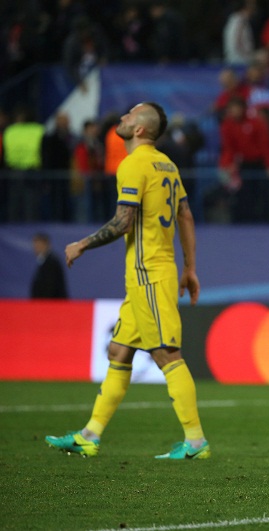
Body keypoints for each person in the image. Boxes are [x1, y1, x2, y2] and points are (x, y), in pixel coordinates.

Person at [45, 102, 210, 460]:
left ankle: (196, 441)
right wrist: (190, 267)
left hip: (149, 273)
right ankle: (90, 435)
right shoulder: (167, 164)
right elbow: (185, 213)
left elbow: (122, 222)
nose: (121, 118)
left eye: (129, 116)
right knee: (118, 351)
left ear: (138, 130)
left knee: (166, 354)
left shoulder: (133, 165)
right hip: (149, 274)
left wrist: (83, 244)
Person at [30, 233, 68, 299]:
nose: (35, 247)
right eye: (34, 244)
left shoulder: (51, 262)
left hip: (51, 305)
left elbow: (50, 287)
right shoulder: (44, 260)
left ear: (46, 244)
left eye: (38, 244)